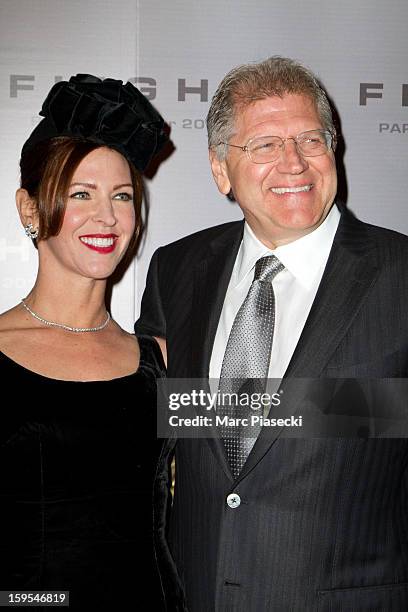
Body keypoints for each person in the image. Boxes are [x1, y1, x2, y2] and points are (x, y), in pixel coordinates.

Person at [135, 57, 408, 611]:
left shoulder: (400, 272)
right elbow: (166, 431)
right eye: (263, 145)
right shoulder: (176, 269)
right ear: (219, 170)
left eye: (310, 139)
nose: (294, 163)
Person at [0, 74, 172, 610]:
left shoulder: (160, 361)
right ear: (29, 209)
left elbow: (281, 432)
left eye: (122, 195)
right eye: (81, 193)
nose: (107, 216)